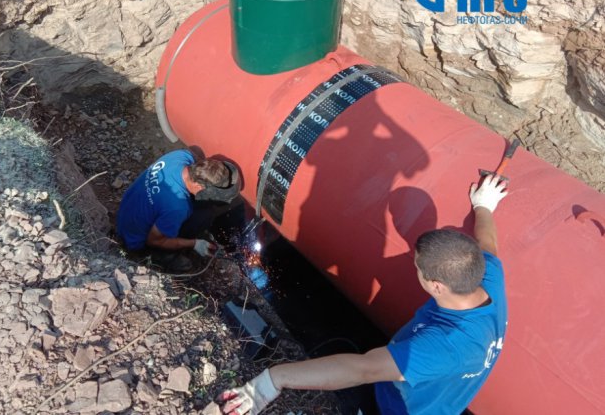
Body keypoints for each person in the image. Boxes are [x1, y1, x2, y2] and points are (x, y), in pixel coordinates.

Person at [219, 175, 509, 415]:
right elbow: (488, 243)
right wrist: (484, 206)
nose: (414, 269)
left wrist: (273, 380)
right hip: (438, 397)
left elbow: (363, 369)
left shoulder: (444, 345)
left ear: (436, 286)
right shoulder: (488, 277)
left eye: (418, 268)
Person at [116, 148, 239, 270]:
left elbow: (195, 153)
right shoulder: (178, 207)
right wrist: (195, 244)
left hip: (126, 212)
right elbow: (153, 240)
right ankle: (161, 256)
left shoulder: (181, 156)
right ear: (198, 186)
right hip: (135, 240)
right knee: (205, 215)